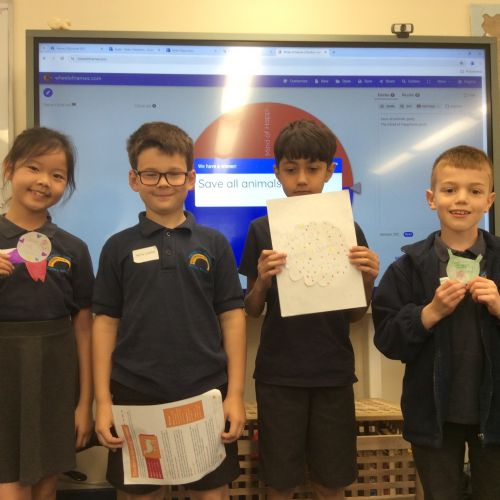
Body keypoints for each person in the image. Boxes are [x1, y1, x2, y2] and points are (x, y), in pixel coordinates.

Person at [92, 121, 246, 500]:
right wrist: (103, 401)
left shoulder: (214, 244)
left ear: (190, 178)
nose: (163, 183)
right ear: (134, 179)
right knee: (141, 494)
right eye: (151, 174)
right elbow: (105, 323)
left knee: (211, 493)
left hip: (205, 392)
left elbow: (232, 318)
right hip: (134, 392)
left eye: (174, 174)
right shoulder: (116, 247)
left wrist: (236, 394)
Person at [239, 119, 379, 500]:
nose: (301, 179)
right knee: (280, 480)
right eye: (291, 169)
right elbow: (252, 309)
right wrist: (262, 281)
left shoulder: (349, 229)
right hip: (278, 375)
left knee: (331, 480)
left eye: (313, 169)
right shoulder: (261, 229)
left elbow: (355, 315)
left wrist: (368, 279)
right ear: (277, 172)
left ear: (329, 172)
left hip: (333, 373)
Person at [372, 145, 500, 500]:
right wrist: (429, 313)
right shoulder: (408, 268)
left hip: (495, 418)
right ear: (432, 199)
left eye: (474, 191)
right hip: (432, 417)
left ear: (489, 201)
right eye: (450, 189)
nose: (461, 199)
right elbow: (387, 339)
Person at [0, 127, 94, 500]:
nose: (44, 181)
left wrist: (84, 402)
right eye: (33, 168)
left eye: (57, 175)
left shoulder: (74, 248)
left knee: (46, 486)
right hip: (5, 375)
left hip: (56, 375)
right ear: (9, 169)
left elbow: (84, 328)